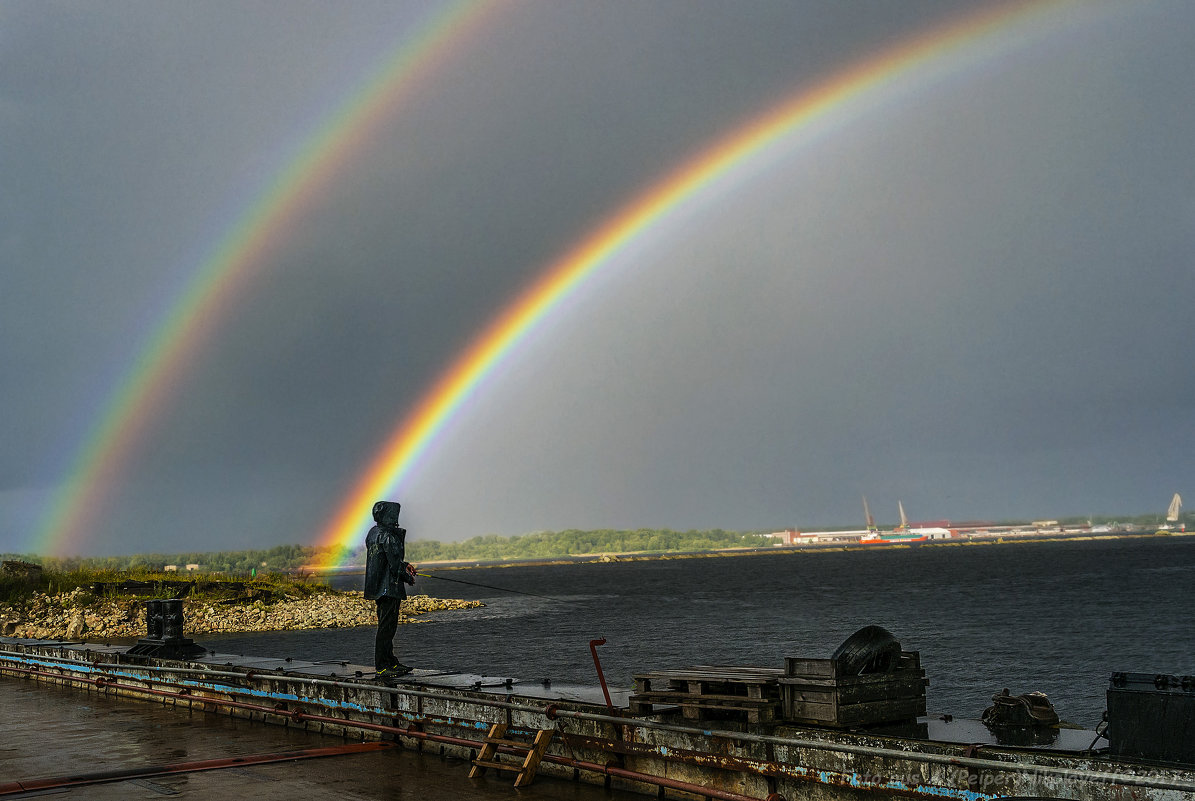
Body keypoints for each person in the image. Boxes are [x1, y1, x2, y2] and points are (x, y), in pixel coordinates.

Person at [363, 500, 416, 678]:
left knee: (385, 626)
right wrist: (408, 577)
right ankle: (383, 666)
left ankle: (390, 661)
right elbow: (394, 565)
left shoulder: (373, 533)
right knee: (387, 628)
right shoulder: (387, 535)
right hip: (389, 588)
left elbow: (385, 559)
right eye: (394, 514)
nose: (396, 518)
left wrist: (405, 565)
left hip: (377, 588)